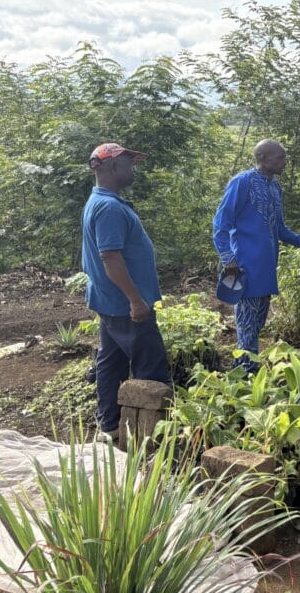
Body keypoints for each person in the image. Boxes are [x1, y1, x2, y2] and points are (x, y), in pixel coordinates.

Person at [81, 143, 171, 441]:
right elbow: (110, 257)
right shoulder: (108, 207)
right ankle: (150, 437)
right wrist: (135, 300)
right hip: (125, 305)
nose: (133, 168)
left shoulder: (102, 201)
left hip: (110, 302)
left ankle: (110, 426)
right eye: (128, 162)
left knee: (111, 362)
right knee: (151, 369)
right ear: (108, 166)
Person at [213, 139, 300, 370]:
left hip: (265, 271)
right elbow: (220, 225)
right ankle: (246, 379)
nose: (284, 162)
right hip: (245, 268)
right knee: (246, 329)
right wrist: (228, 258)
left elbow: (279, 229)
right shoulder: (242, 182)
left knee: (255, 327)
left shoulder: (274, 187)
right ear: (263, 158)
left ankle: (244, 375)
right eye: (280, 158)